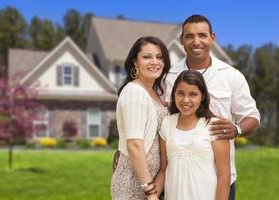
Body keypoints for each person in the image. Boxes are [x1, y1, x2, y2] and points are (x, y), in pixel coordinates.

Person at [163, 14, 260, 200]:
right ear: (182, 40)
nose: (196, 41)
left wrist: (237, 129)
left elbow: (252, 116)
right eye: (189, 36)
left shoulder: (232, 76)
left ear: (212, 38)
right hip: (178, 179)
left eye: (202, 35)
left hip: (222, 178)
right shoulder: (169, 76)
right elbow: (158, 117)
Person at [111, 36, 170, 200]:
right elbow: (134, 145)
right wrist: (150, 192)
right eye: (147, 57)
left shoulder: (156, 93)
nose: (154, 62)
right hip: (134, 184)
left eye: (159, 57)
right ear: (135, 62)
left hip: (152, 183)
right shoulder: (134, 92)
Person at [158, 70, 230, 200]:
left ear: (202, 96)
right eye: (180, 93)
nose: (186, 100)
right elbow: (163, 169)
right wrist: (150, 195)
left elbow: (224, 176)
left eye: (193, 94)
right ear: (174, 94)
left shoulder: (215, 126)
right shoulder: (167, 123)